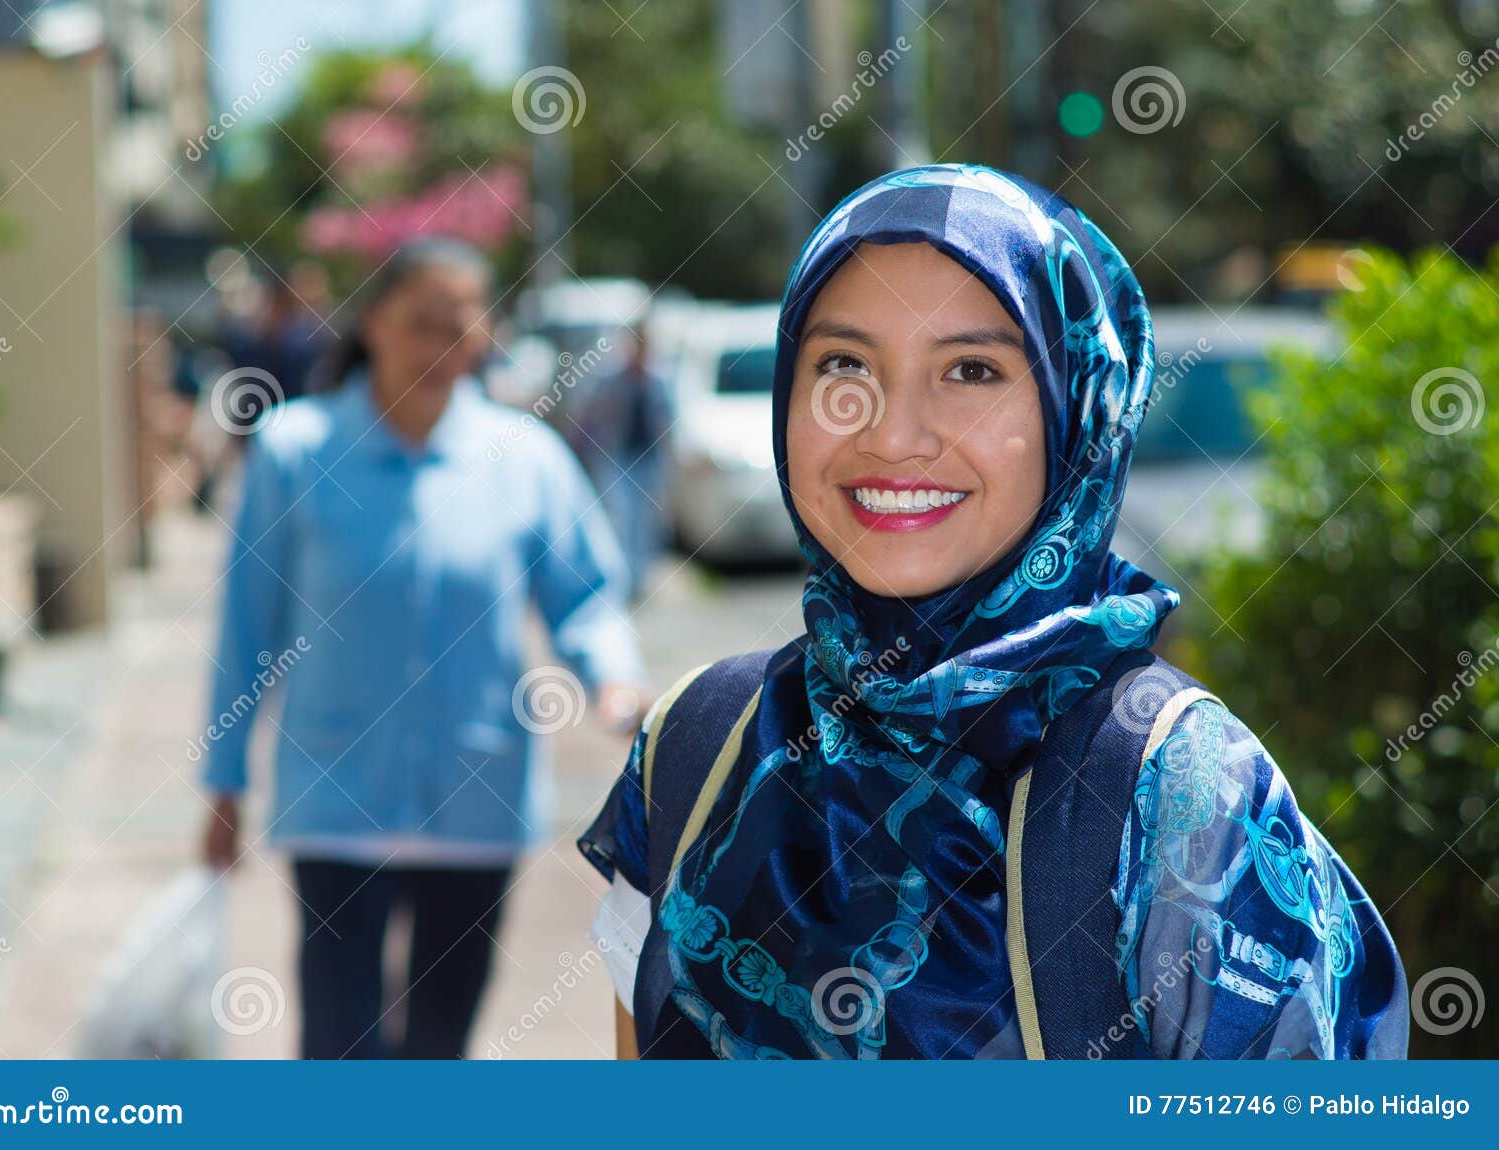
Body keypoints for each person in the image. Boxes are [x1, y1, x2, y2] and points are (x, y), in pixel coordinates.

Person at [578, 165, 1409, 1060]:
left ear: (1076, 410)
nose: (892, 434)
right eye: (844, 364)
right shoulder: (699, 746)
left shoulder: (1181, 791)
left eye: (971, 370)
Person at [199, 237, 647, 1060]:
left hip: (476, 803)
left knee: (440, 1049)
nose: (440, 347)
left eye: (460, 325)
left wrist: (614, 685)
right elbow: (246, 626)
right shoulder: (294, 453)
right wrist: (222, 781)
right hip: (335, 806)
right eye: (420, 324)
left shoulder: (527, 458)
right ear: (371, 323)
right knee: (340, 1049)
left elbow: (585, 600)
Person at [571, 324, 674, 598]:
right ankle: (623, 577)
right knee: (621, 518)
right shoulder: (612, 380)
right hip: (619, 459)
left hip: (647, 461)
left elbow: (665, 422)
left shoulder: (656, 382)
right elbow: (594, 413)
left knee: (644, 522)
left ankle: (639, 577)